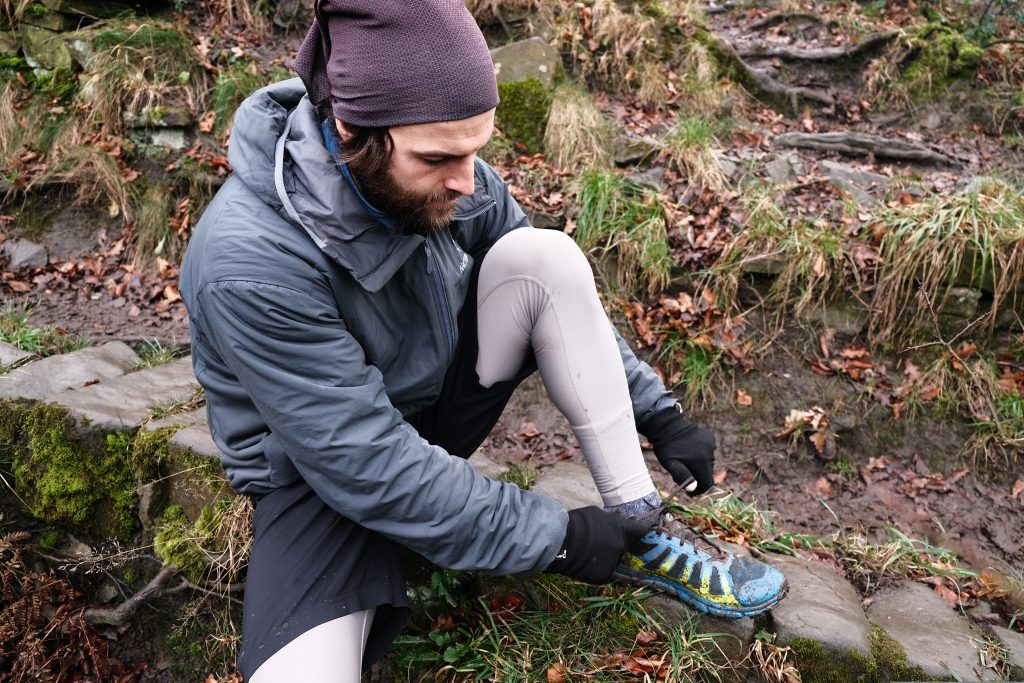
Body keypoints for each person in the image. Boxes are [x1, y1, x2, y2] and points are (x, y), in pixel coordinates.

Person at [179, 1, 787, 679]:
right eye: (440, 157)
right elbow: (369, 465)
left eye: (477, 150)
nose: (468, 182)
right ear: (351, 126)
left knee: (541, 254)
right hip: (314, 483)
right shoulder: (250, 261)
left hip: (431, 410)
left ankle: (641, 524)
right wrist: (559, 537)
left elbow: (554, 290)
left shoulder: (447, 173)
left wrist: (657, 410)